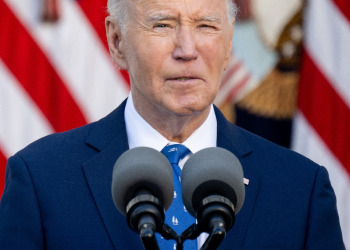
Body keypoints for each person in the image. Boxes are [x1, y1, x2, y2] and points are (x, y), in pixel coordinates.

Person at [0, 0, 345, 249]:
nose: (187, 49)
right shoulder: (40, 180)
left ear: (228, 47)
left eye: (206, 25)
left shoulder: (302, 190)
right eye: (162, 24)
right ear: (117, 42)